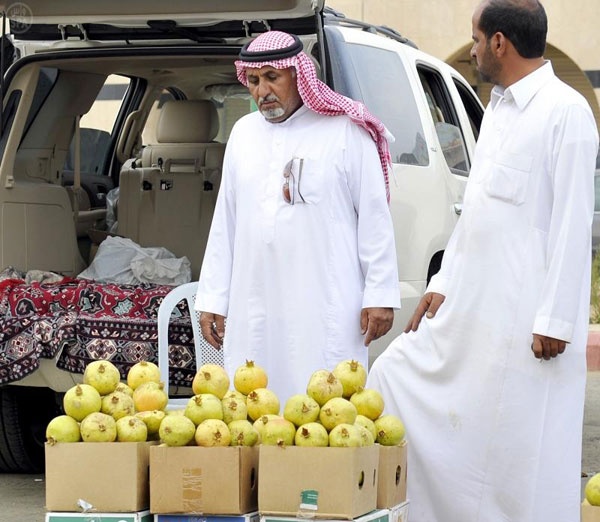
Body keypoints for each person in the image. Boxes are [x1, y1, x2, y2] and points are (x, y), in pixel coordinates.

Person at [367, 1, 599, 520]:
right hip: (470, 307)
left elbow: (571, 223)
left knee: (518, 446)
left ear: (499, 42)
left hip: (526, 318)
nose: (471, 51)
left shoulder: (565, 111)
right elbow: (476, 211)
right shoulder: (495, 108)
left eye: (475, 40)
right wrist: (443, 280)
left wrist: (557, 319)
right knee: (395, 375)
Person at [195, 31, 401, 405]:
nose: (262, 91)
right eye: (254, 81)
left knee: (327, 402)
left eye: (273, 77)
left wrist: (380, 294)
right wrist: (213, 298)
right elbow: (226, 222)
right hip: (254, 299)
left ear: (298, 75)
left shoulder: (345, 130)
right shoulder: (243, 134)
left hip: (326, 299)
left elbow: (375, 217)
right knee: (253, 398)